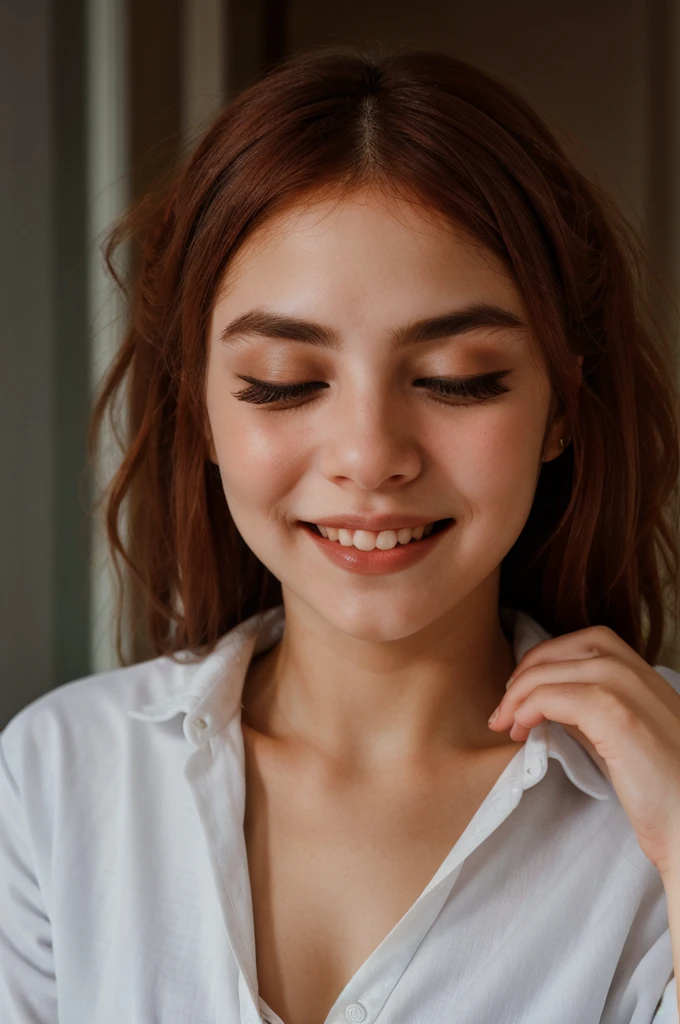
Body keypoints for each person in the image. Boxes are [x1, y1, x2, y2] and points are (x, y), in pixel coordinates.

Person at [2, 44, 680, 1024]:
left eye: (454, 375)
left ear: (562, 404)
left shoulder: (660, 789)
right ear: (199, 410)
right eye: (283, 379)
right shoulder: (56, 777)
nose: (369, 456)